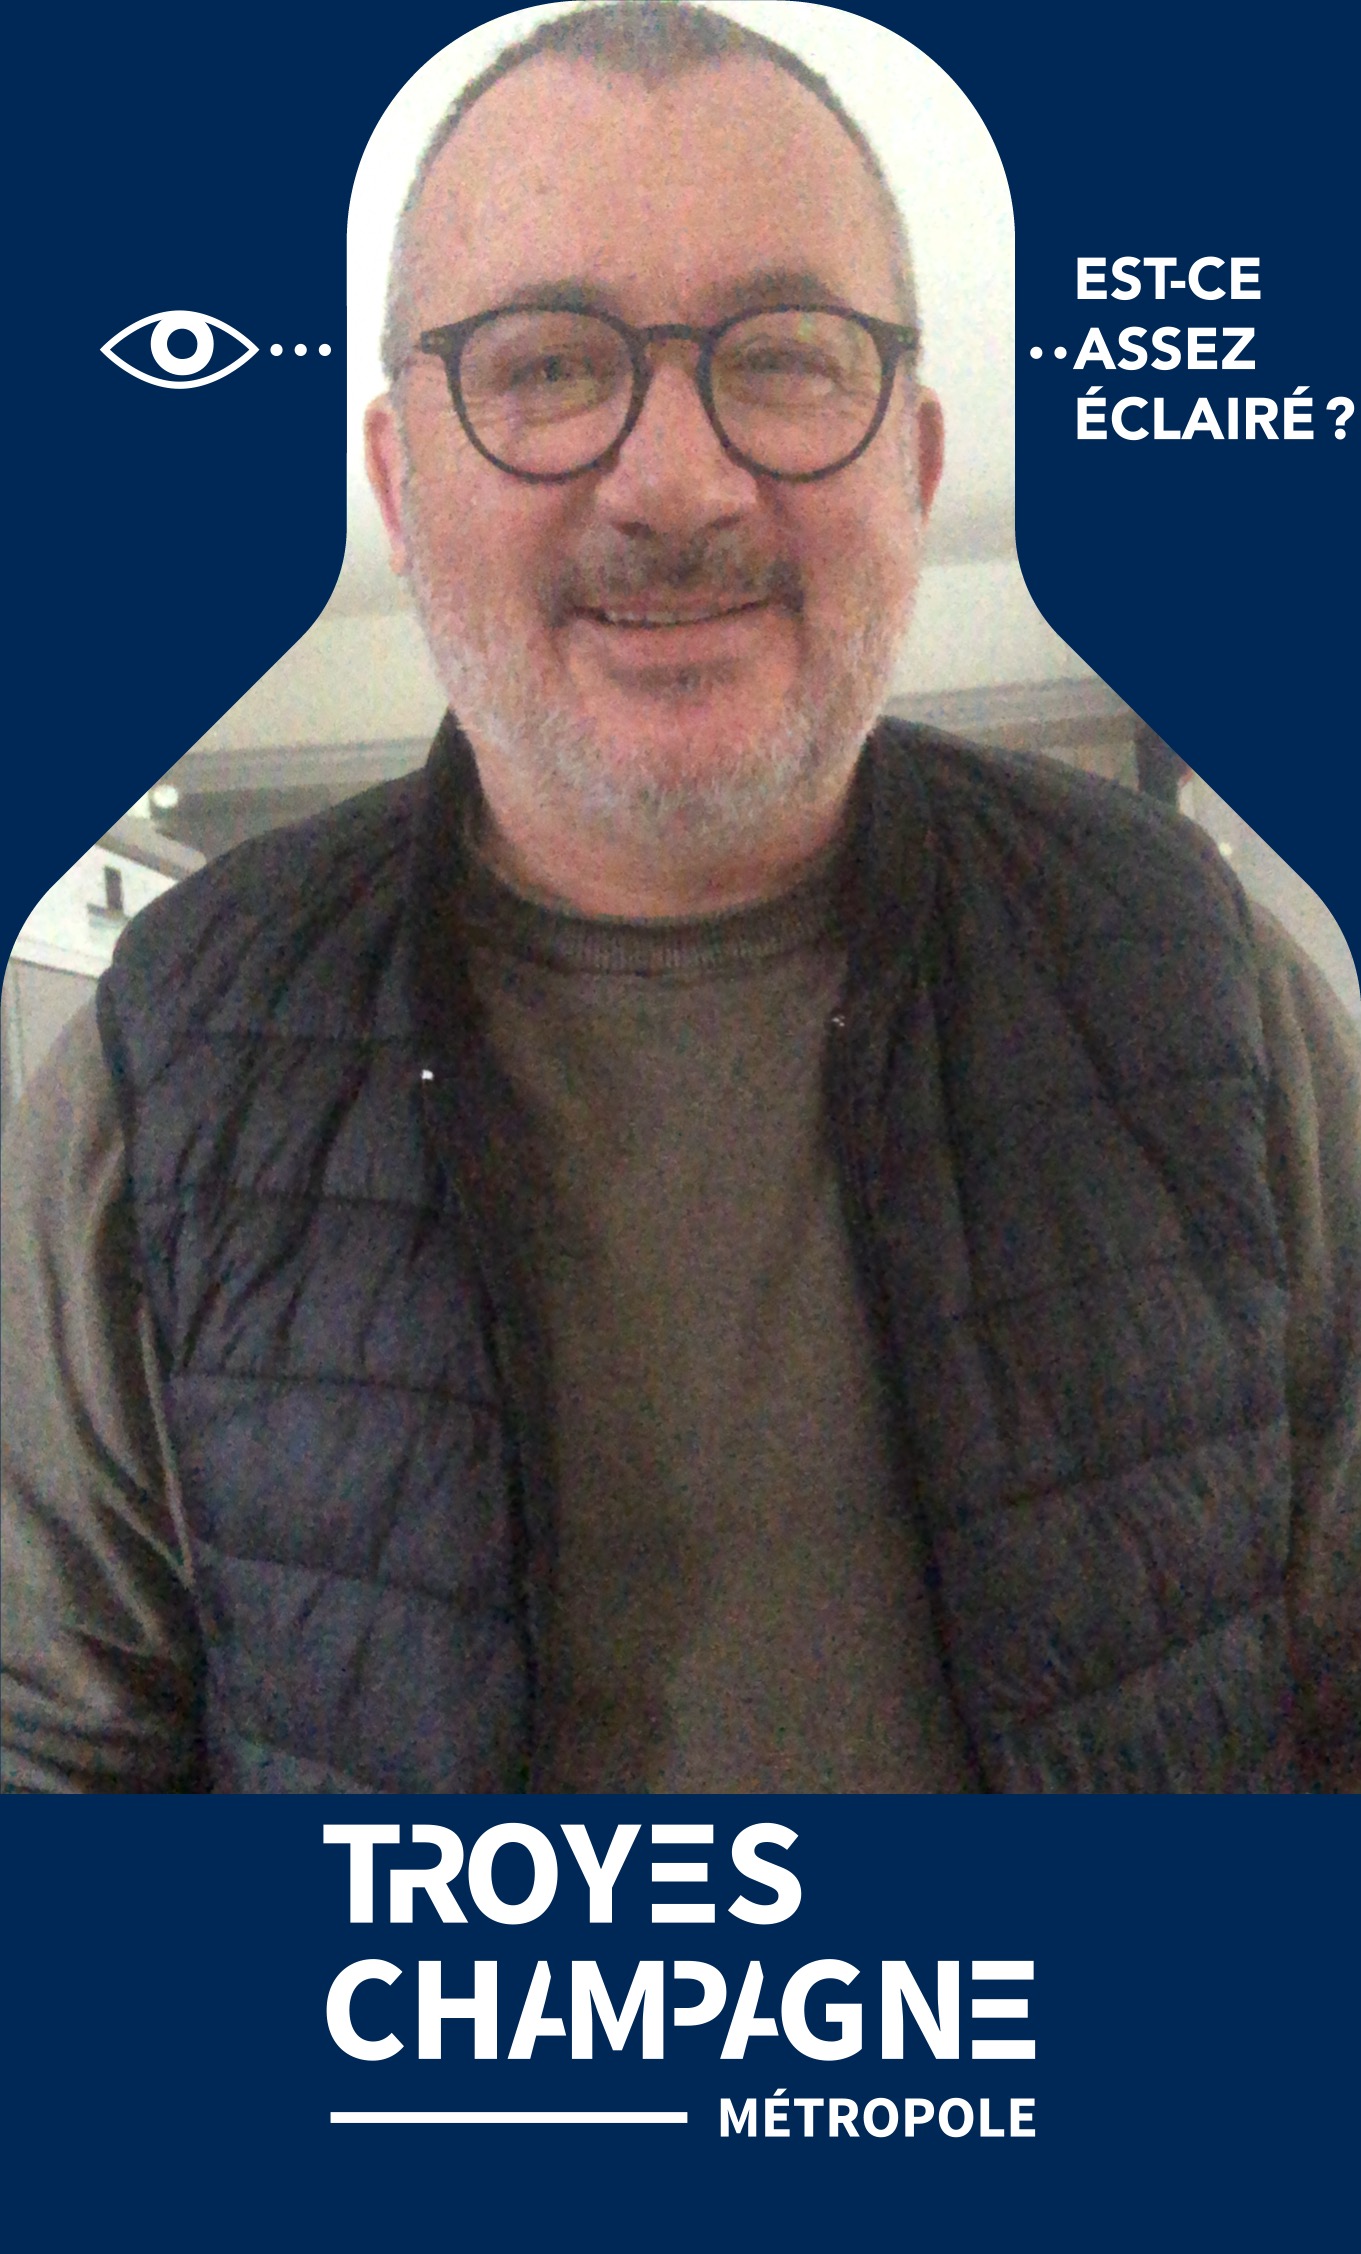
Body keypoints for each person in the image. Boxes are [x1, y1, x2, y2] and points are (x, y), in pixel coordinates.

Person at [3, 1, 1358, 1796]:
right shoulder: (158, 1060)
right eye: (547, 365)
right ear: (399, 481)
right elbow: (56, 1763)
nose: (674, 483)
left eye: (784, 357)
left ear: (914, 462)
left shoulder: (1199, 973)